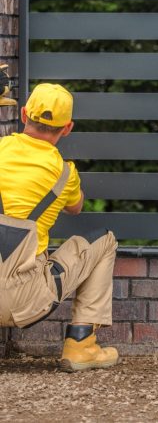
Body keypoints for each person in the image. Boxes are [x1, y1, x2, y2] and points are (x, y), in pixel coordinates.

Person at [0, 83, 119, 372]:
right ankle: (81, 346)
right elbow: (75, 208)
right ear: (67, 128)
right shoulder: (65, 173)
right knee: (105, 241)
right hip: (23, 301)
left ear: (25, 114)